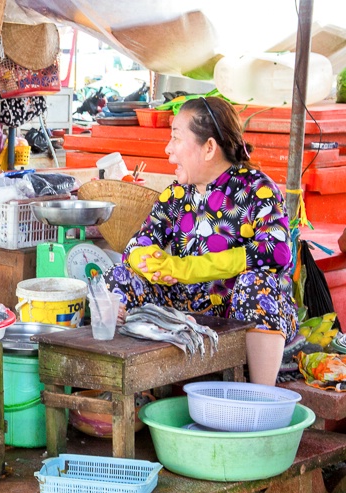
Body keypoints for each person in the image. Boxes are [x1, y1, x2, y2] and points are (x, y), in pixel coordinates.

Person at [104, 96, 296, 386]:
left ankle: (259, 397)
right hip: (188, 313)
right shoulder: (177, 195)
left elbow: (276, 252)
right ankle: (126, 385)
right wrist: (155, 264)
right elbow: (136, 245)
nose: (168, 149)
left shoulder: (257, 189)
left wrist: (186, 269)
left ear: (209, 148)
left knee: (256, 285)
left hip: (242, 313)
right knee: (120, 277)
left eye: (176, 138)